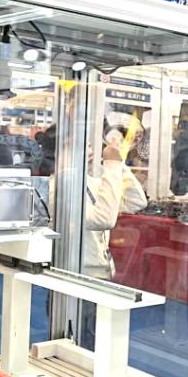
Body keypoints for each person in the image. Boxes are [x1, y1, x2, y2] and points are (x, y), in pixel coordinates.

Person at [79, 143, 148, 348]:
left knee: (100, 343)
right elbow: (103, 219)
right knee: (84, 344)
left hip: (101, 276)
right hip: (79, 277)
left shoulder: (92, 183)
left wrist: (118, 165)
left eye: (90, 145)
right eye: (84, 146)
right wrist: (111, 165)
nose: (90, 151)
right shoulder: (58, 188)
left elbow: (136, 201)